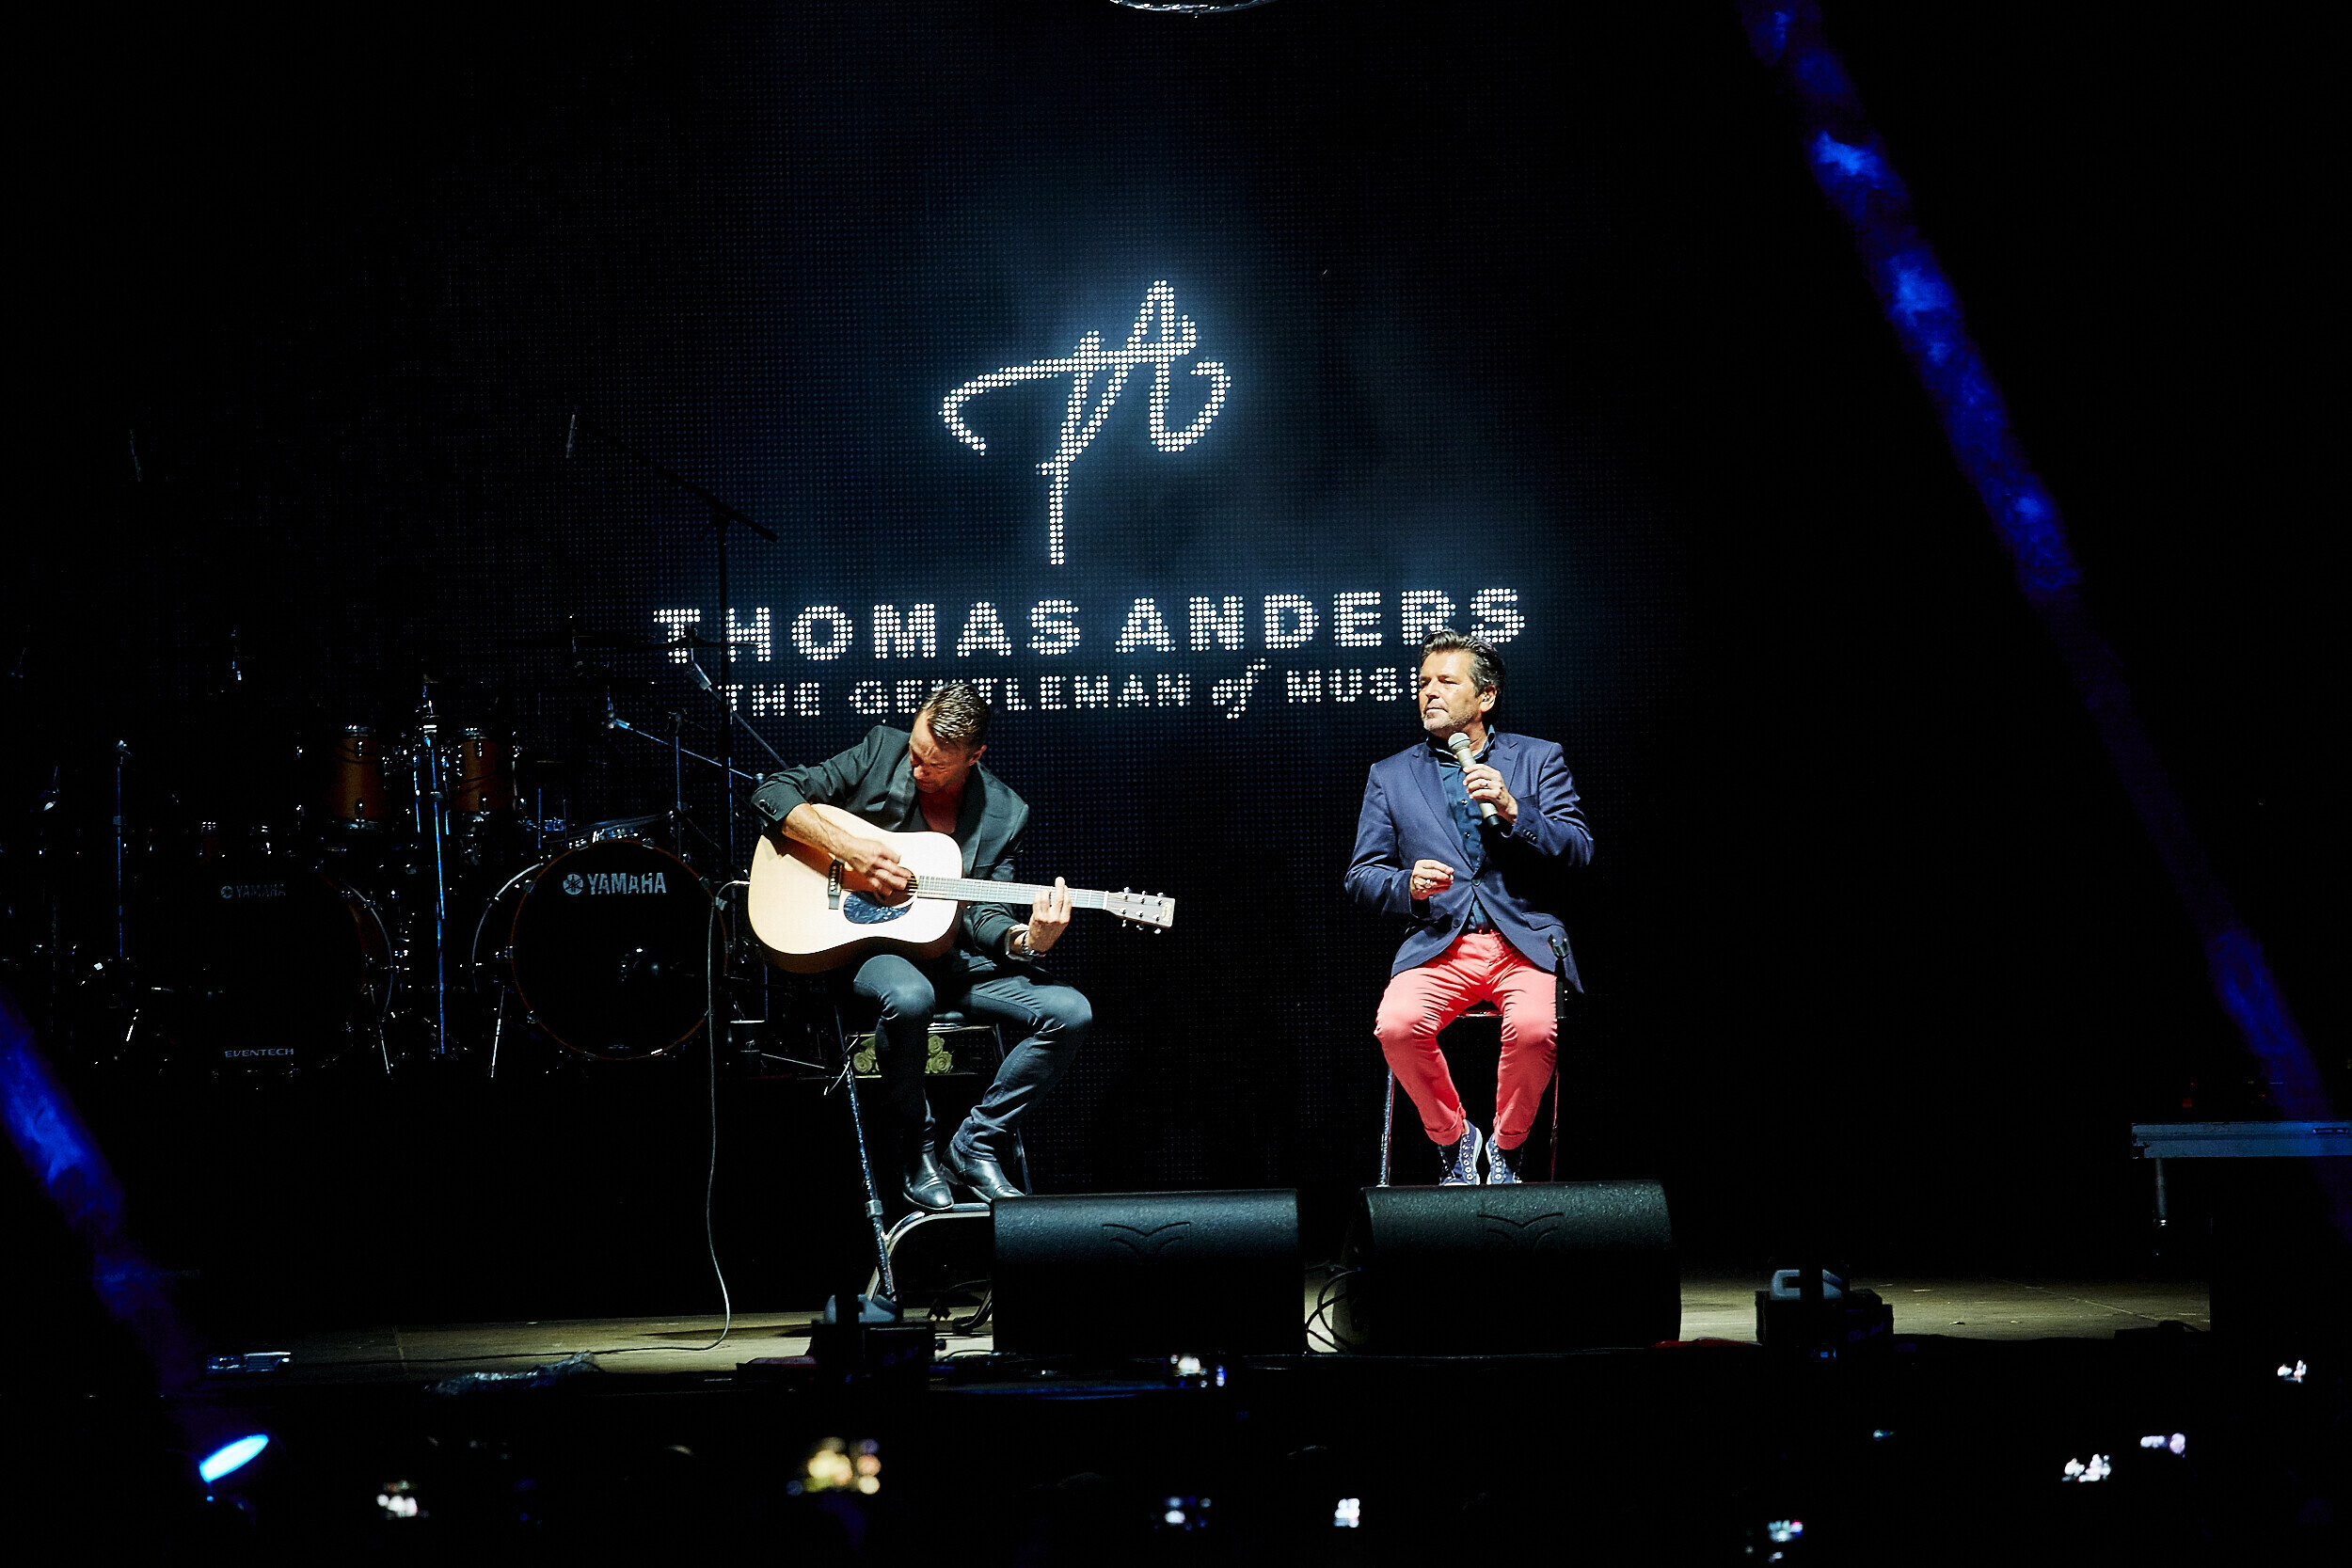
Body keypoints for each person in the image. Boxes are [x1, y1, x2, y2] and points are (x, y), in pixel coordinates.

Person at [752, 682, 1090, 1208]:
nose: (917, 769)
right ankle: (916, 1147)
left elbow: (984, 915)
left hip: (949, 959)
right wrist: (849, 847)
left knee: (1070, 1012)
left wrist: (1027, 940)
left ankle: (976, 1144)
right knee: (911, 998)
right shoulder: (880, 752)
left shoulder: (1005, 813)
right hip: (868, 949)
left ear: (974, 757)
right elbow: (774, 792)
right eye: (916, 753)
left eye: (935, 765)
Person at [1343, 628, 1592, 1184]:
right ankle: (1455, 1140)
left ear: (1486, 697)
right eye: (1423, 683)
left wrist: (1513, 808)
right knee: (1397, 1026)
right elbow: (1361, 876)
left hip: (1522, 939)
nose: (1428, 692)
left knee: (1535, 1029)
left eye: (1446, 682)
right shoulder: (1391, 775)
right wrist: (1407, 884)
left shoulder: (1537, 758)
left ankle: (1507, 1146)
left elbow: (1578, 849)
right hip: (1441, 942)